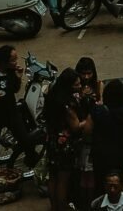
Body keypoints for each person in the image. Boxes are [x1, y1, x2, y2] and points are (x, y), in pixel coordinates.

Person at [47, 68, 91, 211]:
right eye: (77, 84)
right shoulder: (67, 104)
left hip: (53, 142)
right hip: (65, 146)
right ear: (69, 86)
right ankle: (62, 206)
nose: (80, 86)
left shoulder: (53, 96)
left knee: (53, 177)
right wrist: (90, 119)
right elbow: (76, 126)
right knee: (63, 180)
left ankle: (54, 206)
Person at [90, 80, 123, 190]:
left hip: (100, 153)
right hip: (119, 153)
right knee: (117, 181)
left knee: (99, 182)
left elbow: (87, 130)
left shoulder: (98, 110)